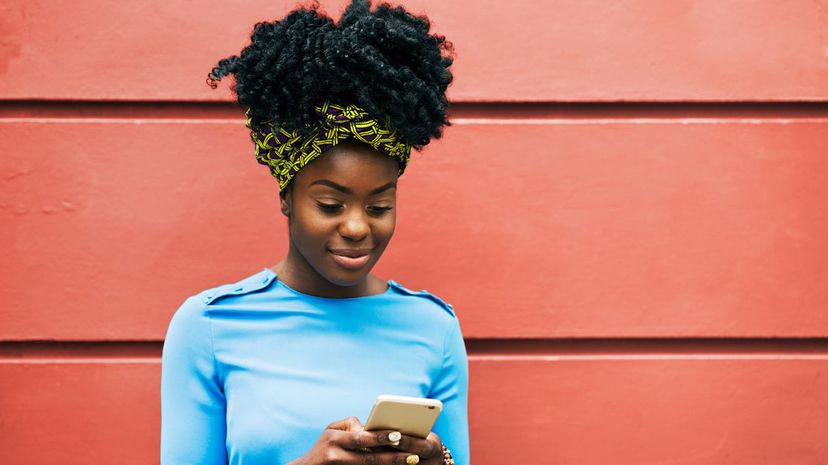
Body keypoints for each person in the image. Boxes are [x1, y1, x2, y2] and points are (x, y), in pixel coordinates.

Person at [160, 1, 468, 464]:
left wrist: (437, 459)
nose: (358, 227)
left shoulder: (435, 329)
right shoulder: (207, 326)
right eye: (330, 204)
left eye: (380, 205)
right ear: (287, 197)